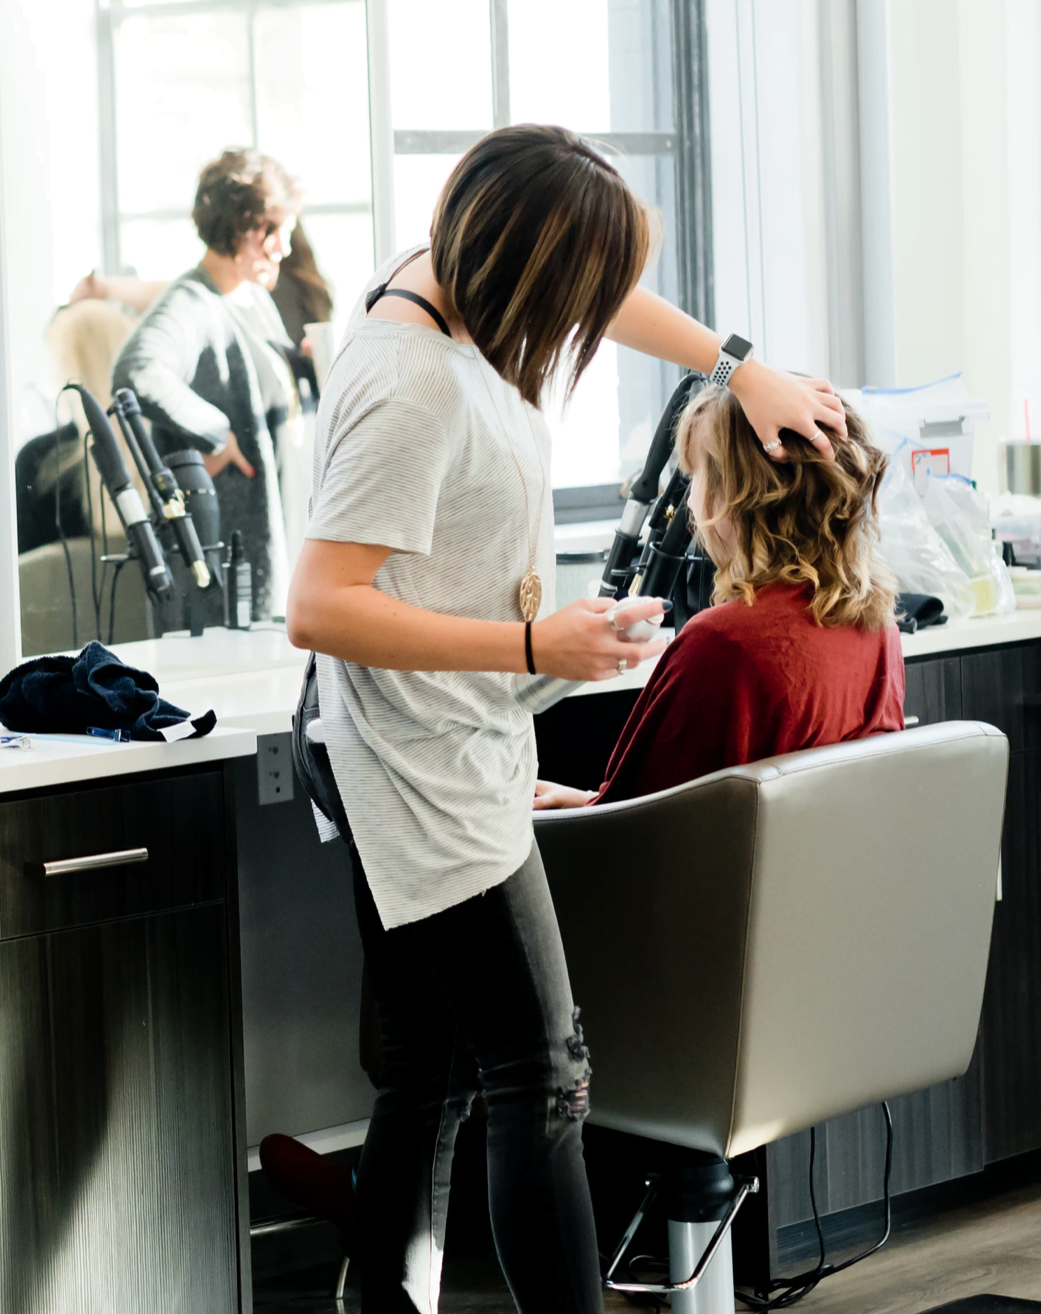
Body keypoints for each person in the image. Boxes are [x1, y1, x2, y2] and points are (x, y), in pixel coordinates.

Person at [285, 123, 846, 1314]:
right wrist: (536, 647)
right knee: (540, 1074)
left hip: (455, 732)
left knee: (431, 1073)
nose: (590, 323)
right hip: (421, 759)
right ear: (520, 270)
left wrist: (734, 365)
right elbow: (320, 607)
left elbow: (613, 300)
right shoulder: (413, 383)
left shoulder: (437, 278)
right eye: (577, 296)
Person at [534, 387, 905, 812]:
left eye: (696, 477)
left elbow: (640, 829)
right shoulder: (879, 630)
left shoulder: (723, 643)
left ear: (738, 495)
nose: (690, 500)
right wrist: (588, 802)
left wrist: (586, 810)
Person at [111, 148, 307, 621]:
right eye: (271, 232)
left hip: (275, 529)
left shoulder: (252, 297)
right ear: (241, 228)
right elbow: (136, 372)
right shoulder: (191, 304)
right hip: (226, 548)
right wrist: (217, 431)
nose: (283, 247)